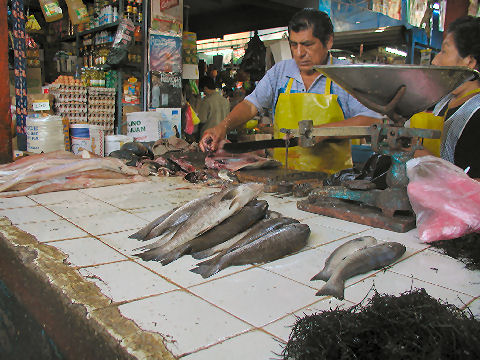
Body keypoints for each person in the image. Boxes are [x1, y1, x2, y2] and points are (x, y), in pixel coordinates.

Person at [199, 8, 381, 173]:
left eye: (308, 44)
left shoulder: (346, 75)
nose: (299, 53)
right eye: (294, 45)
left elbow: (372, 121)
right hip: (281, 177)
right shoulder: (280, 72)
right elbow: (251, 104)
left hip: (332, 182)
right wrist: (223, 126)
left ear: (329, 41)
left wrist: (321, 131)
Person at [415, 15, 480, 179]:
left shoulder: (476, 113)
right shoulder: (443, 102)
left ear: (469, 61)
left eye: (444, 51)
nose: (436, 60)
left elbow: (475, 188)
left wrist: (419, 155)